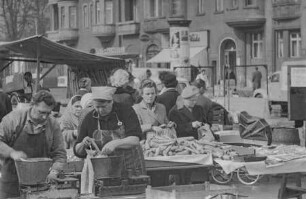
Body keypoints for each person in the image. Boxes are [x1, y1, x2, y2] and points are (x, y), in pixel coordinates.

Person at [0, 90, 67, 198]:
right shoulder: (13, 119)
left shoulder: (53, 124)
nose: (45, 117)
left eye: (48, 113)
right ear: (33, 105)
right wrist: (12, 153)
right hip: (11, 182)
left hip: (40, 185)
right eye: (41, 112)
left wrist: (54, 171)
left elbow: (59, 154)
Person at [74, 86, 142, 158]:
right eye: (97, 107)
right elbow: (77, 151)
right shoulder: (89, 118)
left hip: (129, 164)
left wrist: (116, 143)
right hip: (103, 165)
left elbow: (135, 139)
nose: (100, 110)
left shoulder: (126, 111)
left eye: (103, 107)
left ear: (111, 102)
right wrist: (82, 144)